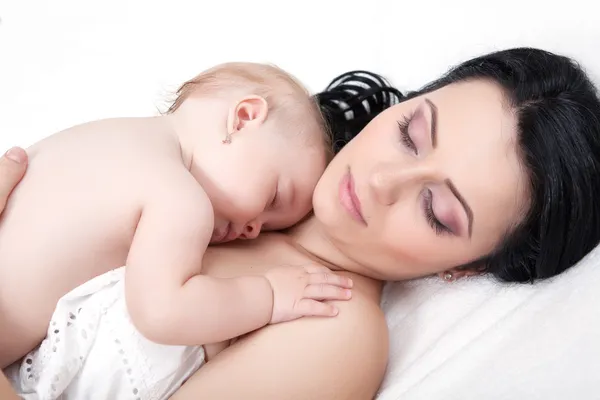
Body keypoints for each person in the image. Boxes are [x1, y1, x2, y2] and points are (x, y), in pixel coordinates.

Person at [2, 46, 600, 399]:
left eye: (436, 212)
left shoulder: (336, 330)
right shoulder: (240, 161)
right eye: (410, 134)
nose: (380, 181)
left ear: (463, 268)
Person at [0, 61, 355, 374]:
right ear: (245, 117)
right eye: (274, 198)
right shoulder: (181, 198)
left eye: (269, 227)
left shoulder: (112, 132)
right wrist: (270, 294)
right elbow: (162, 312)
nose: (253, 230)